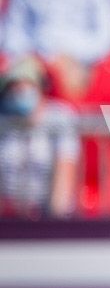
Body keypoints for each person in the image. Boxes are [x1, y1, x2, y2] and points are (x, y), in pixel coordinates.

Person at [0, 56, 80, 217]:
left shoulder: (60, 117)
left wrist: (55, 221)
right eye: (14, 86)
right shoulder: (4, 120)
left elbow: (65, 170)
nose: (18, 91)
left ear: (40, 87)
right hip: (8, 217)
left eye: (25, 84)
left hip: (45, 216)